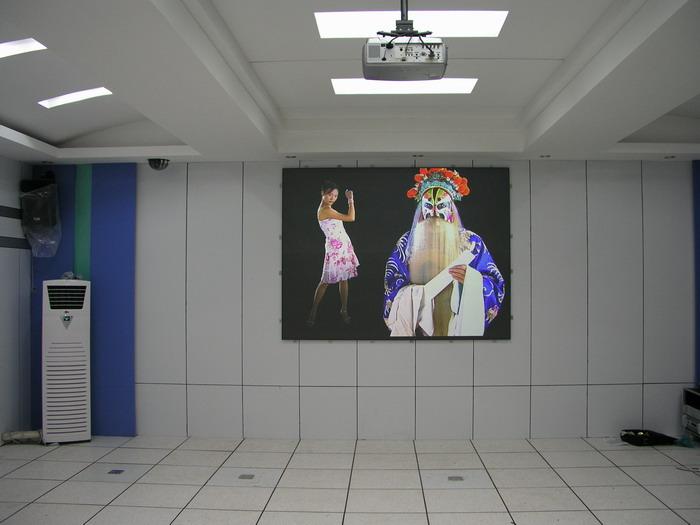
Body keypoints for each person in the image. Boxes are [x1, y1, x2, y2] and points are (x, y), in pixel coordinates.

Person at [383, 168, 504, 336]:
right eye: (428, 206)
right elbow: (392, 280)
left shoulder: (471, 242)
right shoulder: (407, 242)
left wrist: (472, 280)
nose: (434, 212)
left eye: (440, 206)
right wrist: (413, 296)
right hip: (419, 327)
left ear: (451, 208)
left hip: (456, 322)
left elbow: (494, 282)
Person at [307, 180, 359, 326]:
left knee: (344, 279)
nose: (332, 198)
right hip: (335, 250)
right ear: (322, 193)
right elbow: (351, 218)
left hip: (343, 247)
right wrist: (350, 200)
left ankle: (344, 309)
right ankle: (313, 311)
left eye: (335, 196)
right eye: (330, 194)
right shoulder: (325, 210)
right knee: (325, 281)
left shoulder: (329, 208)